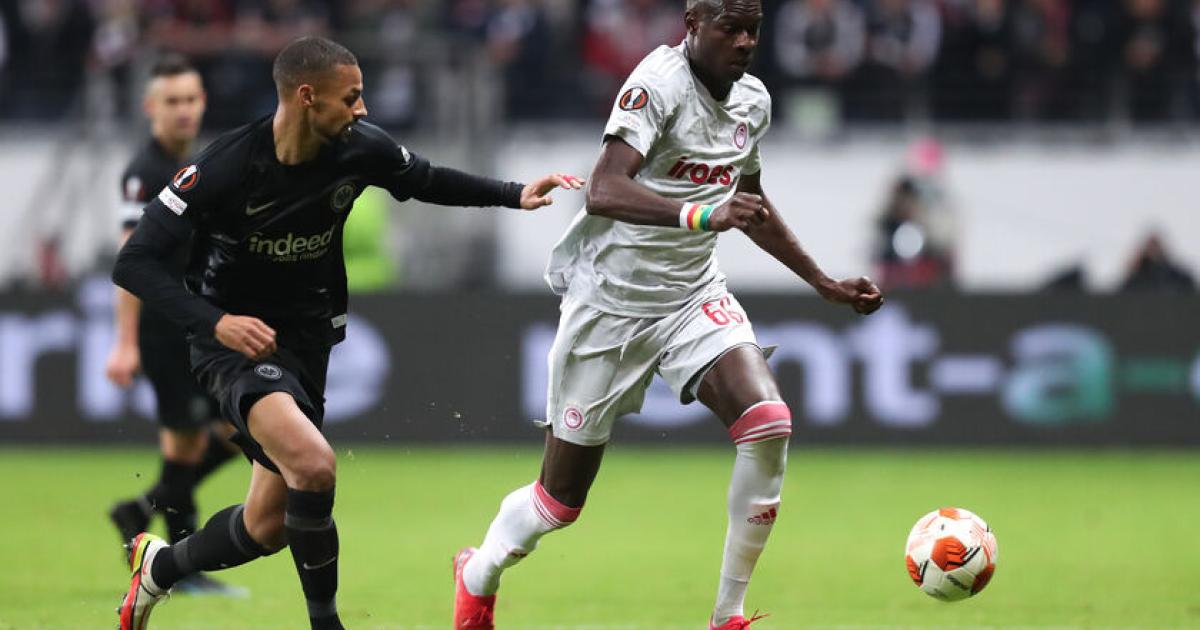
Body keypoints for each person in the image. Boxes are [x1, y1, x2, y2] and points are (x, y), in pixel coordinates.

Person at [112, 36, 581, 630]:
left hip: (307, 341)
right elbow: (134, 263)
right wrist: (216, 323)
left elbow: (426, 179)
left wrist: (514, 194)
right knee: (314, 466)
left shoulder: (360, 148)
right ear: (307, 97)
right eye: (351, 97)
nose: (362, 108)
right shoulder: (225, 166)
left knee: (265, 526)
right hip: (233, 343)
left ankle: (159, 568)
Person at [452, 2, 883, 629]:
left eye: (753, 30)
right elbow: (604, 188)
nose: (745, 41)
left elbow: (749, 200)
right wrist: (703, 215)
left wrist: (822, 282)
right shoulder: (657, 85)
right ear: (692, 25)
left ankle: (728, 616)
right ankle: (478, 572)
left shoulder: (753, 101)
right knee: (558, 502)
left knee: (768, 423)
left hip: (691, 297)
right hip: (610, 305)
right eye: (730, 28)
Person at [105, 54, 245, 597]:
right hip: (163, 329)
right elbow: (129, 260)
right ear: (151, 107)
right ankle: (181, 568)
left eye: (191, 99)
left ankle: (140, 510)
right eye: (172, 101)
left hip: (197, 322)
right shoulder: (143, 173)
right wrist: (124, 343)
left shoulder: (196, 163)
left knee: (236, 433)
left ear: (203, 102)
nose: (184, 110)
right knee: (185, 443)